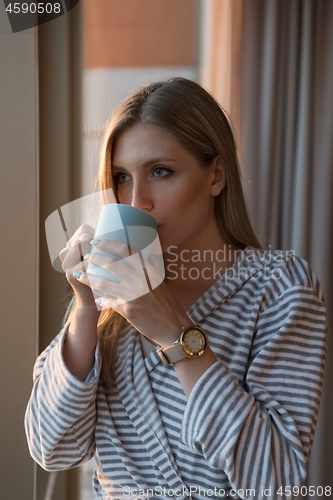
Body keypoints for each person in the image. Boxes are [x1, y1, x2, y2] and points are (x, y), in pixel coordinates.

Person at [25, 78, 327, 500]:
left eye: (160, 172)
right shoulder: (113, 297)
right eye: (121, 178)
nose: (137, 200)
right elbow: (52, 449)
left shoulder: (279, 286)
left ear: (216, 176)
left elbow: (275, 482)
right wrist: (85, 311)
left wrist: (175, 334)